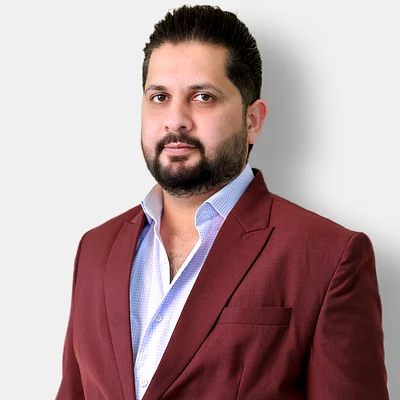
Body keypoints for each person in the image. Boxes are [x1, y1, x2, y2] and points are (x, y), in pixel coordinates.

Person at [56, 5, 389, 400]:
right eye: (159, 96)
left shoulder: (329, 257)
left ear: (252, 121)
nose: (175, 120)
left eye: (203, 97)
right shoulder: (95, 249)